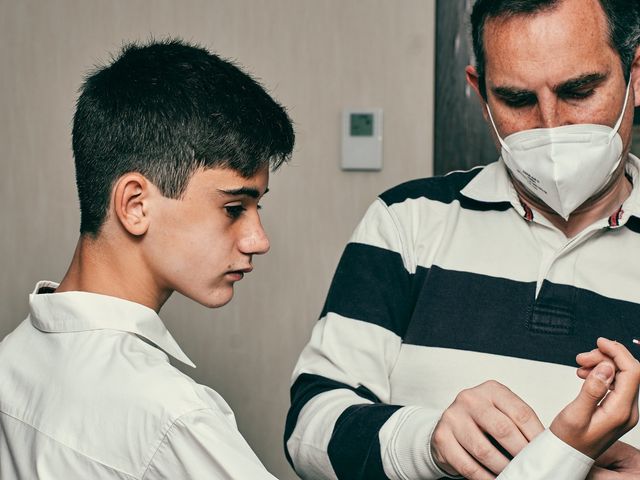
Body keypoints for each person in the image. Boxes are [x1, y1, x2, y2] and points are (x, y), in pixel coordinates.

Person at [284, 0, 640, 478]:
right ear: (480, 93)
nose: (551, 128)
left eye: (579, 91)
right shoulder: (406, 222)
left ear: (635, 74)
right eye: (516, 99)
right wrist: (428, 443)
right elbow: (307, 431)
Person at [0, 39, 294, 479]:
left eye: (259, 208)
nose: (258, 240)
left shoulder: (13, 355)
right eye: (234, 209)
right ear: (135, 204)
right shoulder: (174, 419)